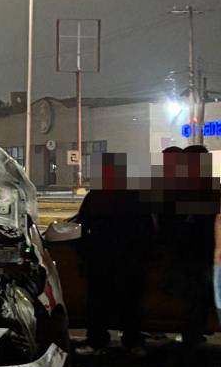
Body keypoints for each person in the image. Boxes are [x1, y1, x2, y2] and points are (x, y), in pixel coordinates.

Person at [75, 153, 153, 356]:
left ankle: (98, 340)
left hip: (103, 257)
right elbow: (148, 228)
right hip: (128, 258)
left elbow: (81, 225)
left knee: (99, 301)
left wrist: (83, 251)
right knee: (130, 301)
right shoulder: (136, 196)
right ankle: (132, 340)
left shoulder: (97, 196)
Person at [166, 145, 219, 350]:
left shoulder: (184, 188)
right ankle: (193, 335)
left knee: (194, 296)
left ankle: (192, 336)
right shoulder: (206, 187)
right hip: (201, 251)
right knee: (198, 296)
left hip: (192, 253)